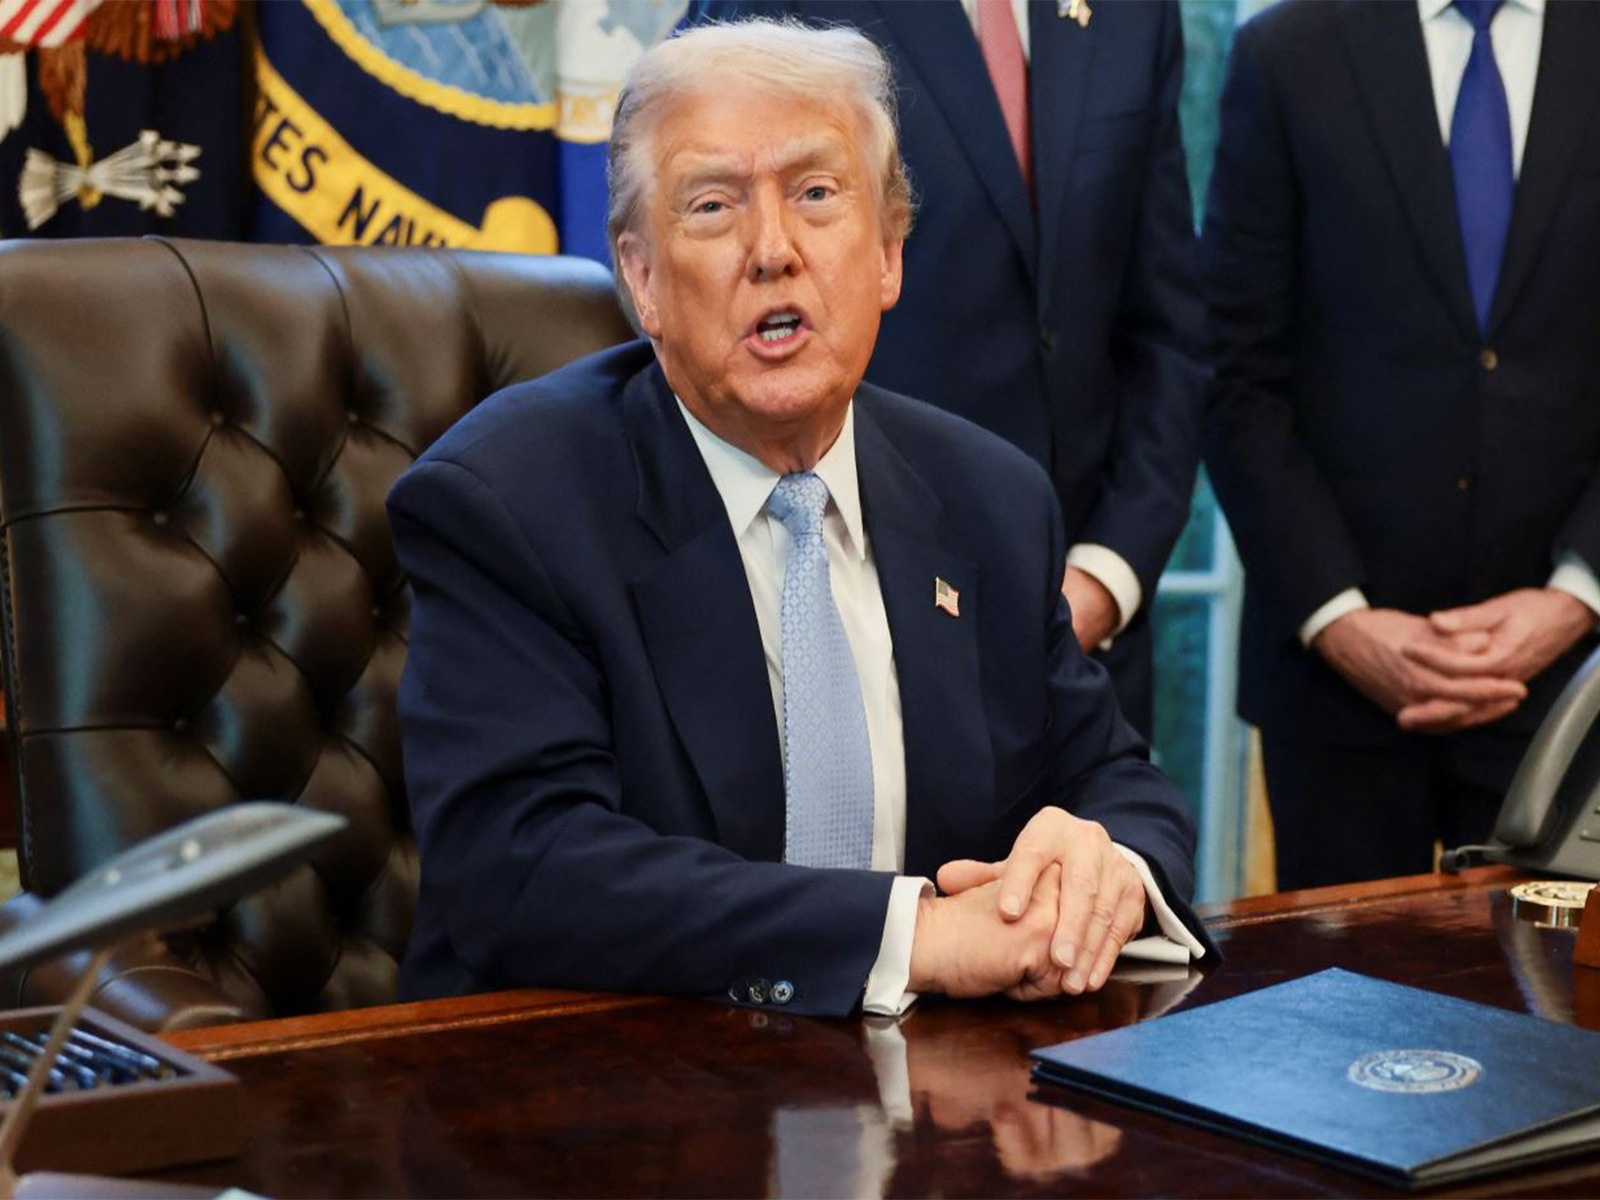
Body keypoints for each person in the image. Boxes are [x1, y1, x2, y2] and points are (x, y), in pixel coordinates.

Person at [390, 18, 1207, 1019]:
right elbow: (522, 870)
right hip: (607, 1110)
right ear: (640, 275)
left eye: (817, 195)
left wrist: (1105, 871)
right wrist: (916, 936)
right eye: (713, 205)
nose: (773, 250)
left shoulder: (990, 500)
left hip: (935, 1121)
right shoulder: (508, 503)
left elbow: (1117, 780)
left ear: (889, 254)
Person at [691, 0, 1209, 737]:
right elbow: (706, 280)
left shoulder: (1137, 15)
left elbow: (1168, 330)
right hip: (850, 629)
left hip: (1086, 650)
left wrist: (1105, 575)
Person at [1203, 0, 1600, 889]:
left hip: (1572, 684)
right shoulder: (1287, 51)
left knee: (1553, 1021)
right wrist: (1339, 621)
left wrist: (1579, 597)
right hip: (1333, 686)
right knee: (1332, 1014)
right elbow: (1233, 372)